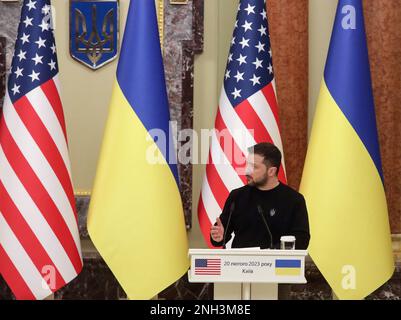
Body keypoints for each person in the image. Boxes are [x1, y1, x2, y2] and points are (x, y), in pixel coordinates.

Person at [210, 142, 310, 249]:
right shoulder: (237, 196)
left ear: (271, 171)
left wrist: (272, 252)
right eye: (247, 165)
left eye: (254, 167)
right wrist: (218, 237)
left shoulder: (294, 200)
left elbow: (301, 239)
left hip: (277, 263)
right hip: (239, 263)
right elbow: (221, 234)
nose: (246, 171)